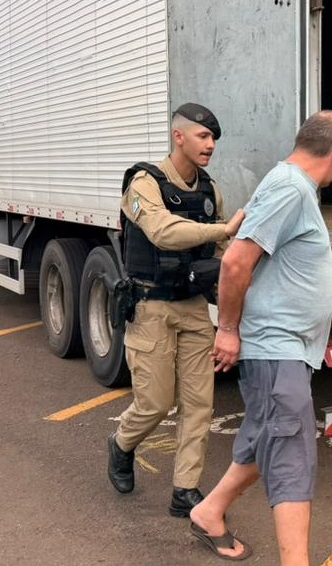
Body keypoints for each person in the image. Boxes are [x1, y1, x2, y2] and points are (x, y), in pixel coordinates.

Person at [188, 110, 332, 564]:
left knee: (267, 435)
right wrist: (227, 330)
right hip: (276, 346)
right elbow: (235, 262)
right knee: (292, 453)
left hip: (286, 348)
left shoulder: (290, 185)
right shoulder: (290, 188)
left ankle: (209, 512)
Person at [107, 102, 245, 520]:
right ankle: (121, 444)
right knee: (154, 403)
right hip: (150, 306)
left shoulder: (210, 190)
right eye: (203, 136)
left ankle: (185, 490)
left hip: (193, 307)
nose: (211, 145)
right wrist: (223, 229)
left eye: (214, 138)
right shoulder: (143, 183)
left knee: (199, 404)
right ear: (178, 136)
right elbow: (163, 231)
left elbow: (222, 248)